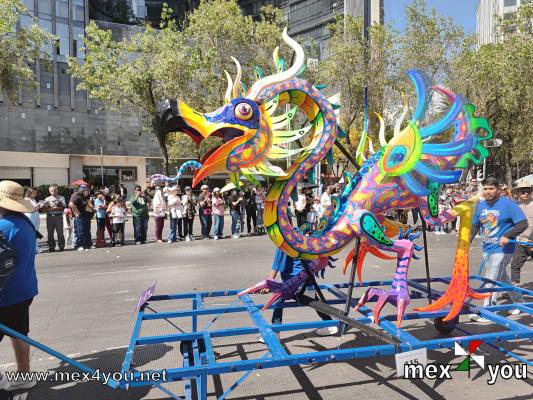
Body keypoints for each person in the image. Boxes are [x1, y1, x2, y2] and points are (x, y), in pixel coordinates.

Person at [469, 177, 528, 322]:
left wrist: (508, 235)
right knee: (501, 277)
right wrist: (466, 242)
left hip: (503, 249)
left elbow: (523, 223)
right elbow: (475, 225)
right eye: (486, 189)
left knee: (491, 278)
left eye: (491, 188)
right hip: (487, 247)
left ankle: (489, 311)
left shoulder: (508, 204)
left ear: (498, 190)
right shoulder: (481, 205)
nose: (488, 191)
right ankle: (519, 302)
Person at [0, 181, 39, 391]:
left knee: (17, 331)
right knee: (19, 332)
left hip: (5, 294)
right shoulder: (25, 223)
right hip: (25, 288)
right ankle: (25, 374)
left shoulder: (3, 227)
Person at [258, 249, 337, 342]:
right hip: (307, 283)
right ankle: (330, 324)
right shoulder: (302, 243)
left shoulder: (283, 244)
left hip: (292, 284)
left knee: (278, 300)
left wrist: (269, 284)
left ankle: (275, 333)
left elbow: (276, 265)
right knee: (315, 301)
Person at [510, 182, 533, 286]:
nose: (526, 194)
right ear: (518, 193)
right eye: (523, 192)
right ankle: (514, 289)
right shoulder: (514, 206)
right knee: (515, 265)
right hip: (520, 241)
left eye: (528, 191)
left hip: (532, 241)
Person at [41, 185, 67, 252]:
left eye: (55, 190)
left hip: (58, 216)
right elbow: (44, 209)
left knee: (60, 233)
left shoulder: (61, 198)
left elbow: (62, 207)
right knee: (50, 233)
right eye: (52, 190)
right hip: (49, 217)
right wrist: (54, 208)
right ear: (49, 191)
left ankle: (61, 246)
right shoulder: (47, 199)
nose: (53, 192)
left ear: (57, 190)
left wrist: (51, 208)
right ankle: (51, 247)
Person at [69, 185, 94, 251]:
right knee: (80, 231)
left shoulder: (86, 197)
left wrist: (92, 207)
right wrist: (77, 212)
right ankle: (79, 245)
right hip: (80, 216)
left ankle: (88, 244)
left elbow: (88, 205)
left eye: (88, 191)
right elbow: (71, 204)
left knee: (87, 231)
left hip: (87, 215)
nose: (88, 192)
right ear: (82, 190)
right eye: (86, 191)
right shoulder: (76, 195)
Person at [23, 188, 42, 253]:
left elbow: (36, 209)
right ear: (29, 193)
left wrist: (40, 205)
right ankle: (31, 248)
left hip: (36, 216)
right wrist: (38, 205)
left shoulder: (33, 199)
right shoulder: (26, 199)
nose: (35, 194)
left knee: (36, 231)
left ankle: (36, 247)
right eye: (34, 193)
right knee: (31, 231)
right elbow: (31, 209)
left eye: (36, 193)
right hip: (30, 216)